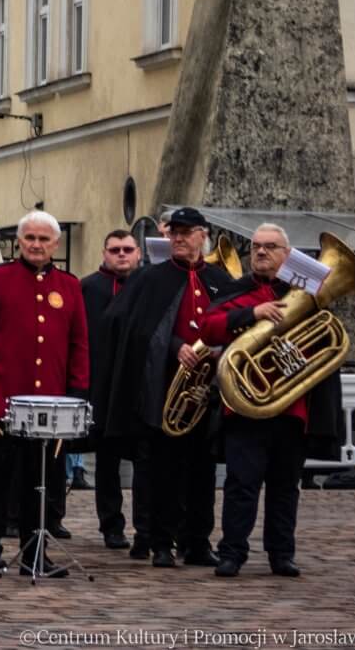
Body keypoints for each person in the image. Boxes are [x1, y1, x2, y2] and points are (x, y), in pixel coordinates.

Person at [201, 224, 343, 578]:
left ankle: (282, 554)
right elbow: (208, 327)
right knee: (241, 484)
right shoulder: (238, 292)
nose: (261, 252)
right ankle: (232, 553)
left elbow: (327, 335)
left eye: (270, 246)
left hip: (291, 407)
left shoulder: (307, 293)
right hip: (245, 408)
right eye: (256, 246)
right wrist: (253, 314)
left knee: (284, 486)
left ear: (286, 253)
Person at [99, 206, 234, 568]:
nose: (177, 238)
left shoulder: (220, 279)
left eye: (186, 232)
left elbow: (235, 328)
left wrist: (218, 352)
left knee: (202, 472)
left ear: (202, 235)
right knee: (162, 470)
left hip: (207, 393)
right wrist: (174, 346)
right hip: (162, 392)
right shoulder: (149, 279)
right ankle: (160, 541)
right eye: (174, 232)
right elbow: (125, 324)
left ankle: (197, 541)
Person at [0, 210, 89, 578]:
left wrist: (77, 394)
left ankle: (36, 552)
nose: (36, 245)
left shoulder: (69, 286)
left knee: (42, 484)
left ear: (56, 244)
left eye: (43, 239)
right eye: (30, 238)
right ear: (20, 242)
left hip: (51, 406)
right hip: (2, 402)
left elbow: (79, 343)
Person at [81, 229, 150, 553]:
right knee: (107, 463)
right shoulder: (89, 288)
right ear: (104, 253)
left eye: (127, 249)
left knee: (146, 463)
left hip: (140, 389)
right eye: (115, 250)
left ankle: (147, 528)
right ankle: (112, 526)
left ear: (138, 253)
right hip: (104, 388)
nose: (121, 255)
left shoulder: (149, 284)